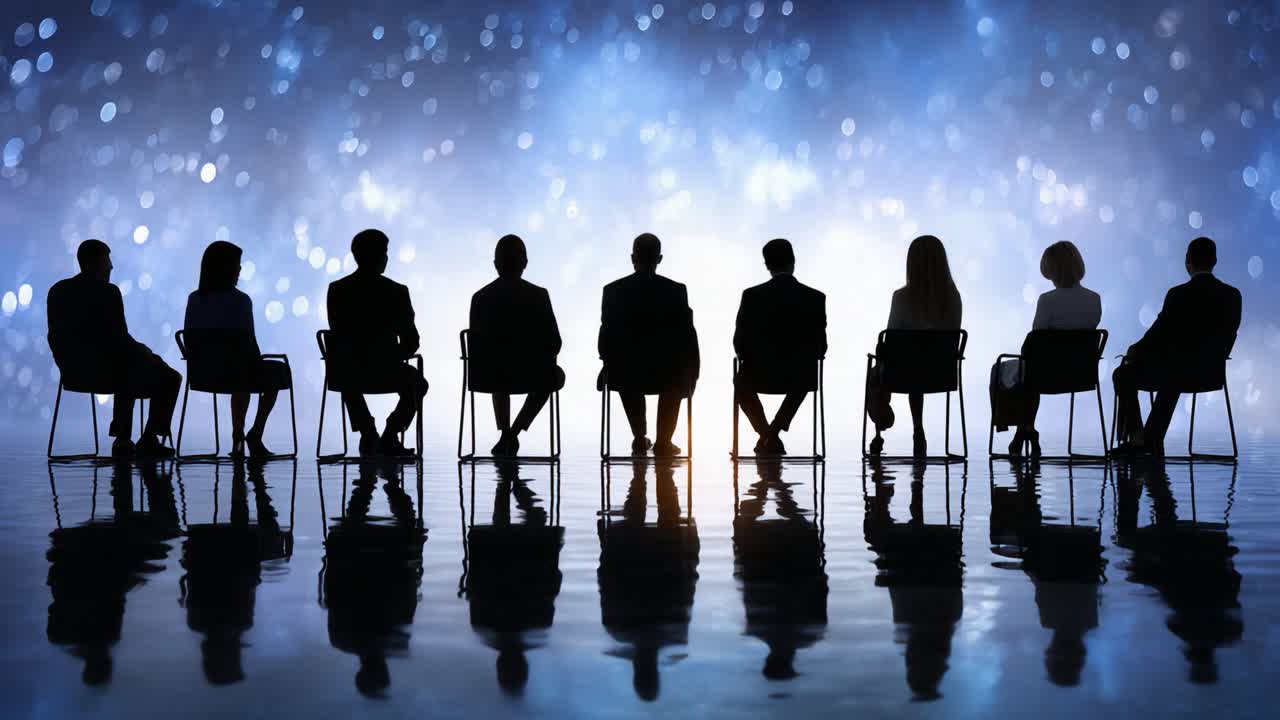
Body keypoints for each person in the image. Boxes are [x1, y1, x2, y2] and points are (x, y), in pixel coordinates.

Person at [47, 239, 180, 458]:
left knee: (126, 364)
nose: (111, 266)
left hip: (72, 373)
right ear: (96, 262)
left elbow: (54, 336)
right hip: (110, 373)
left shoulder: (57, 291)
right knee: (168, 377)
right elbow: (120, 340)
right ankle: (145, 439)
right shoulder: (108, 292)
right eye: (107, 259)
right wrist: (147, 354)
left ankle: (123, 439)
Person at [1112, 237, 1241, 454]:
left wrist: (1133, 352)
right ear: (1215, 261)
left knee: (1124, 375)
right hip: (1212, 373)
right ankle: (1149, 439)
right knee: (1176, 370)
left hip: (1175, 374)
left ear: (1187, 261)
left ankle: (1138, 438)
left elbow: (1157, 335)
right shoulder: (1233, 295)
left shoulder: (1178, 294)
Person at [990, 241, 1102, 457]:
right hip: (1080, 373)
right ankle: (1026, 430)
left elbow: (1035, 339)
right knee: (1033, 371)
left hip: (1045, 371)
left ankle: (1022, 429)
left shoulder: (1047, 300)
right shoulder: (1094, 299)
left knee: (1007, 370)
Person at [326, 229, 429, 457]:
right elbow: (412, 341)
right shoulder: (397, 292)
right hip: (387, 370)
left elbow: (338, 335)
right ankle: (390, 435)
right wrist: (391, 356)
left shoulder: (337, 290)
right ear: (381, 255)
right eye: (385, 252)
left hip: (350, 372)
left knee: (343, 370)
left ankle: (368, 433)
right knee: (418, 384)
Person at [183, 241, 290, 457]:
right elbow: (247, 344)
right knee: (271, 371)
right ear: (226, 267)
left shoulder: (194, 299)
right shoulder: (241, 301)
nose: (240, 269)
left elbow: (189, 339)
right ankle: (255, 433)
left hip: (203, 374)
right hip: (238, 372)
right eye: (237, 264)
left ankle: (238, 435)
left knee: (240, 368)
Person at [599, 233, 700, 457]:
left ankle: (639, 437)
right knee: (675, 374)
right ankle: (664, 441)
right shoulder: (676, 291)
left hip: (626, 373)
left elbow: (605, 336)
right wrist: (693, 369)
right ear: (659, 258)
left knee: (626, 368)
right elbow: (687, 336)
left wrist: (606, 361)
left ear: (632, 257)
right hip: (667, 374)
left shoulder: (613, 291)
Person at [468, 235, 565, 457]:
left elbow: (478, 349)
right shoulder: (539, 296)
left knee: (497, 371)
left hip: (487, 376)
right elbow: (555, 343)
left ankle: (506, 435)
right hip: (530, 375)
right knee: (554, 376)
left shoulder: (480, 298)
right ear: (525, 263)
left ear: (496, 265)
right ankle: (514, 432)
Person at [867, 235, 963, 458]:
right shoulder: (953, 298)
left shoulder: (901, 297)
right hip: (941, 373)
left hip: (902, 372)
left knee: (878, 372)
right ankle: (917, 430)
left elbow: (889, 339)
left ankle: (880, 429)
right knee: (917, 369)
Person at [733, 239, 827, 456]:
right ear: (793, 262)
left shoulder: (751, 296)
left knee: (741, 384)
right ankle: (773, 433)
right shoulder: (815, 298)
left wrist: (749, 357)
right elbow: (820, 347)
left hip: (758, 374)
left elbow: (739, 342)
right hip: (798, 376)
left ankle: (766, 434)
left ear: (767, 265)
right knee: (807, 373)